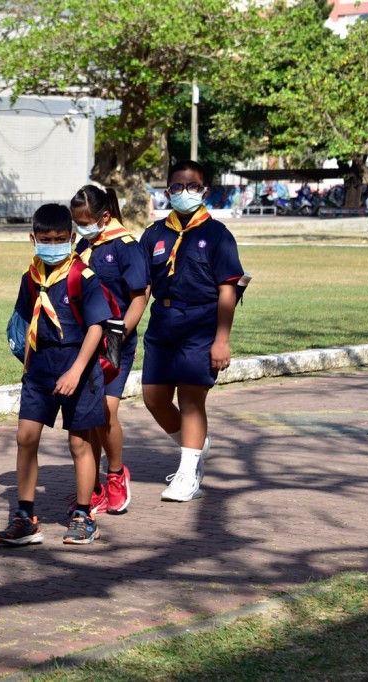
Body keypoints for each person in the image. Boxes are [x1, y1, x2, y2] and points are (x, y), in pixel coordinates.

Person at [0, 203, 112, 547]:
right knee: (26, 437)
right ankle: (26, 515)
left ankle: (84, 514)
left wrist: (76, 370)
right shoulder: (29, 278)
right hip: (40, 368)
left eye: (60, 239)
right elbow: (26, 321)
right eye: (45, 239)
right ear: (33, 239)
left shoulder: (82, 277)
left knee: (79, 443)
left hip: (79, 366)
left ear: (72, 239)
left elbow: (96, 328)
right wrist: (28, 365)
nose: (53, 244)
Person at [139, 160, 244, 502]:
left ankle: (188, 473)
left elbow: (228, 290)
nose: (185, 193)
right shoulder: (154, 234)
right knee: (154, 397)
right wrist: (127, 326)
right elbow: (142, 288)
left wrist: (222, 341)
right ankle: (194, 444)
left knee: (191, 398)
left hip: (201, 323)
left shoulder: (217, 235)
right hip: (163, 323)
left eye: (193, 187)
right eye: (178, 187)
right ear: (167, 191)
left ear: (205, 191)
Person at [70, 185, 148, 514]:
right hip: (86, 342)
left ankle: (116, 474)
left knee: (106, 412)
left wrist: (120, 334)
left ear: (104, 217)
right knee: (88, 414)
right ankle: (95, 486)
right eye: (77, 222)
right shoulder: (83, 246)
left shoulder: (126, 246)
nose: (81, 227)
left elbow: (140, 296)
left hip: (115, 342)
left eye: (85, 221)